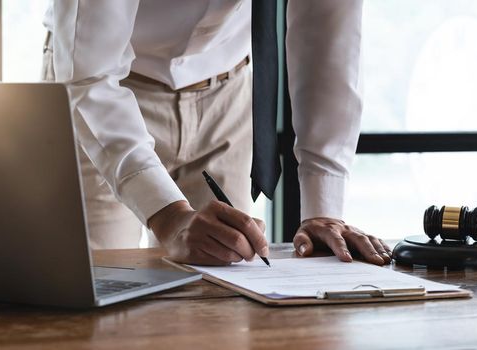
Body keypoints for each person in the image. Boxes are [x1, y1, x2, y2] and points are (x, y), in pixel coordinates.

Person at [46, 0, 392, 266]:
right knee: (95, 290)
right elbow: (89, 74)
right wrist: (168, 216)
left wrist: (322, 208)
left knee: (224, 290)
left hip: (228, 92)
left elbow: (328, 28)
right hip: (104, 96)